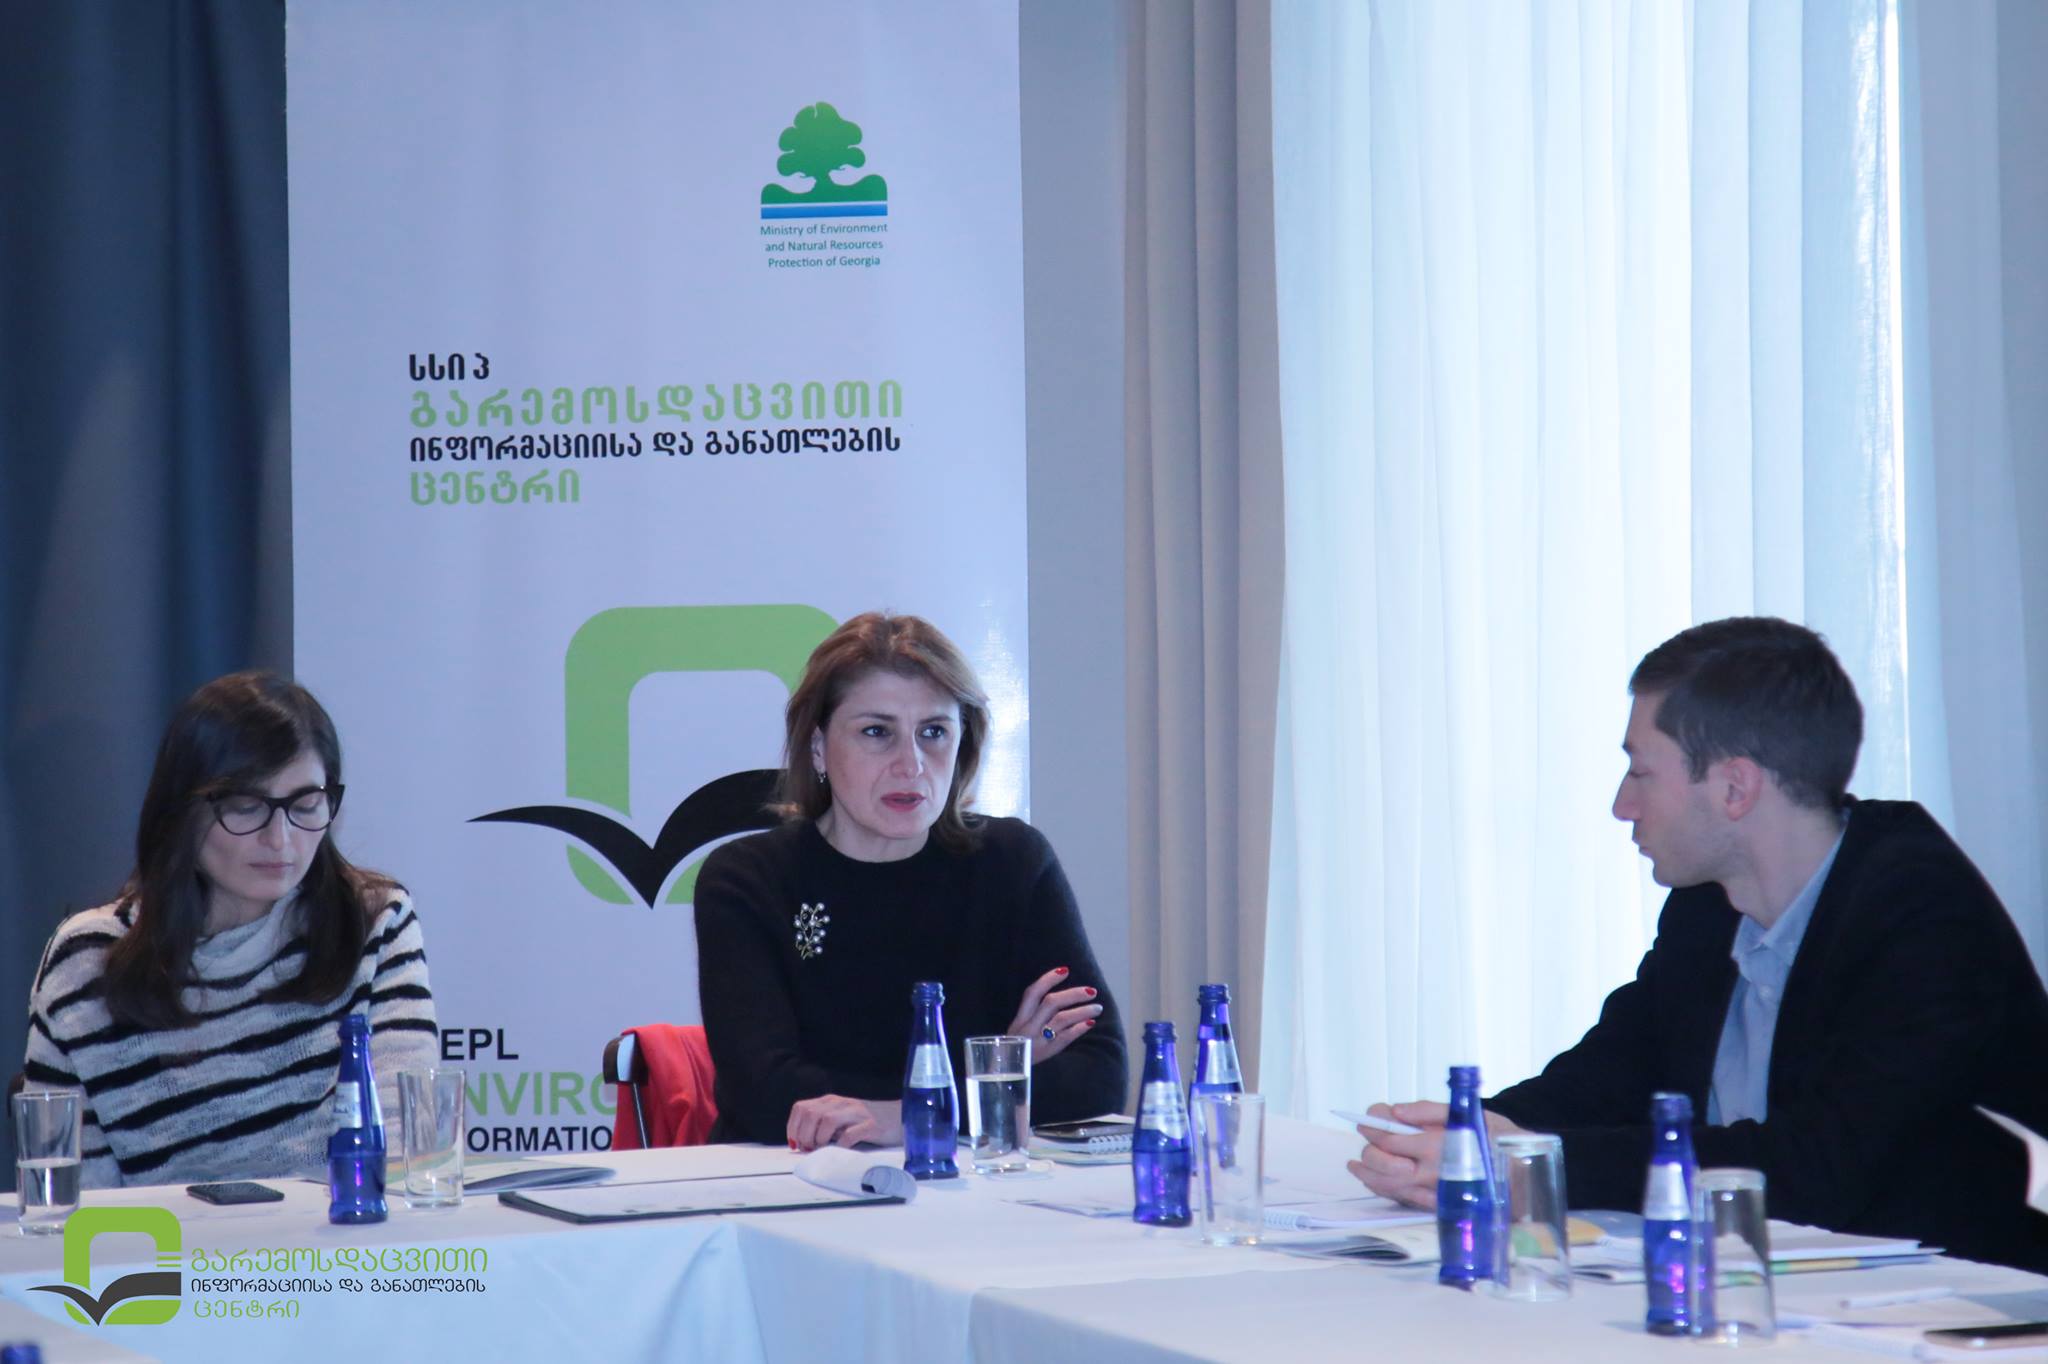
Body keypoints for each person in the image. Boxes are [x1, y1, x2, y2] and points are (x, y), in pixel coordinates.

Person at [1349, 617, 2048, 1272]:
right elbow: (1611, 1076)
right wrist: (1469, 1137)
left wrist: (1529, 1162)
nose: (1622, 805)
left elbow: (1816, 1168)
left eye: (1641, 772)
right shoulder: (1709, 903)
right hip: (1782, 1285)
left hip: (1961, 1303)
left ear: (1735, 787)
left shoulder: (1922, 914)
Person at [694, 611, 1128, 1149]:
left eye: (933, 732)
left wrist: (902, 1118)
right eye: (877, 732)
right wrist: (996, 1073)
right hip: (789, 1181)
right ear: (817, 747)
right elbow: (766, 1096)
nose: (911, 764)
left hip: (970, 1185)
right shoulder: (749, 878)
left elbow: (1099, 1076)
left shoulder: (1013, 861)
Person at [22, 671, 437, 1187]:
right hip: (162, 1242)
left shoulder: (372, 922)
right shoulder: (88, 961)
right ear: (182, 810)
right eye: (246, 807)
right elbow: (72, 1205)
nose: (280, 839)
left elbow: (409, 1162)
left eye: (305, 805)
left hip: (340, 1240)